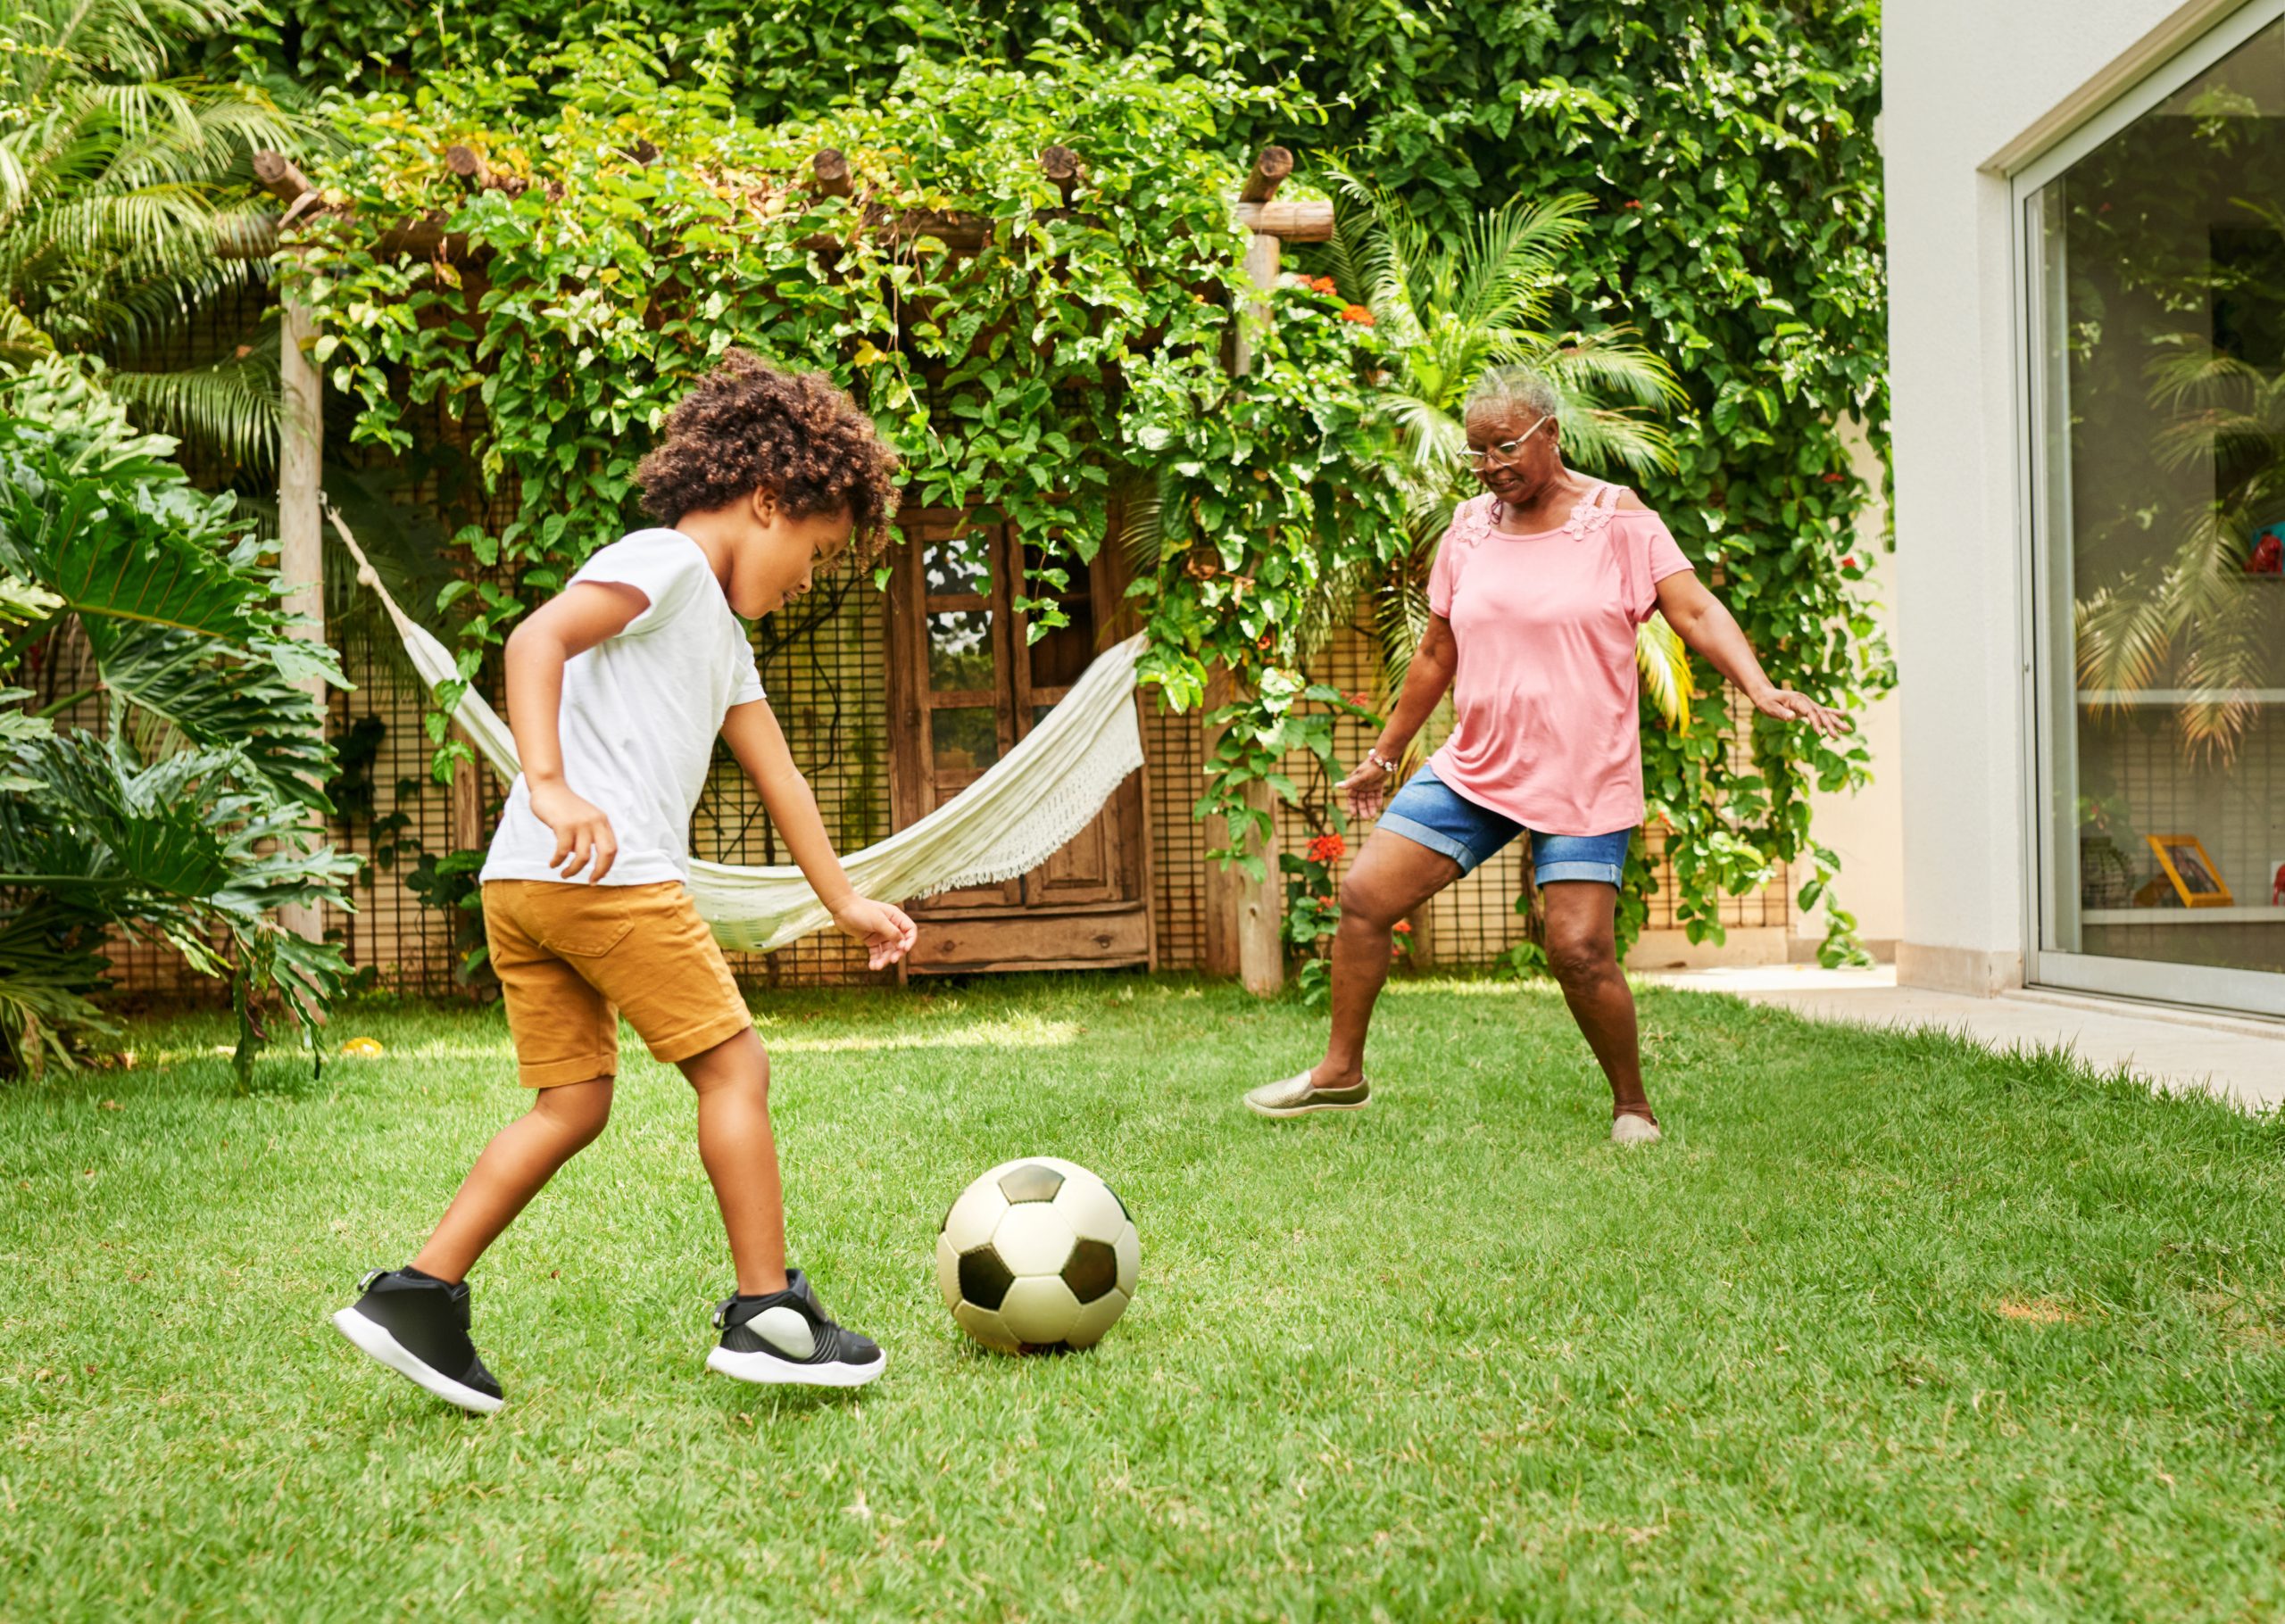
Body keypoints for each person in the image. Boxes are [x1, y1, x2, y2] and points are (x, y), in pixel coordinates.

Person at [332, 353, 918, 1412]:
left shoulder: (721, 639)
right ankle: (766, 1313)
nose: (811, 577)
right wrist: (548, 782)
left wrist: (843, 898)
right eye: (817, 552)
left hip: (527, 884)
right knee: (735, 1070)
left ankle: (418, 1293)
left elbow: (777, 773)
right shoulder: (671, 565)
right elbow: (537, 635)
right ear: (767, 500)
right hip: (601, 874)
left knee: (573, 1102)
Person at [1243, 366, 1848, 1142]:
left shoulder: (1618, 521)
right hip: (1478, 766)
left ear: (1550, 433)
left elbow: (1694, 607)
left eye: (1506, 446)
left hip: (1582, 773)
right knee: (1364, 899)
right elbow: (1435, 652)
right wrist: (1386, 752)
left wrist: (1760, 689)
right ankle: (1340, 1074)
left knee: (1580, 951)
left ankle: (1632, 1105)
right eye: (1478, 452)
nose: (1493, 466)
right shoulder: (1468, 529)